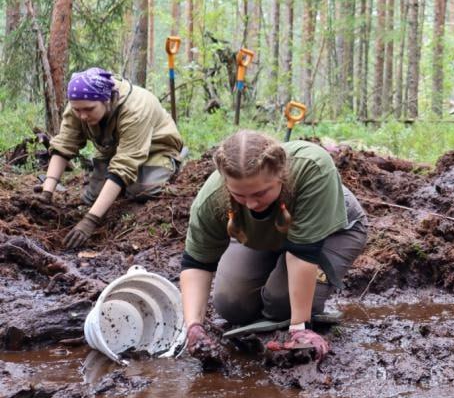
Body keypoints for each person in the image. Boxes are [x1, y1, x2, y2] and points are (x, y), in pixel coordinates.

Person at [179, 130, 368, 362]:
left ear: (281, 174)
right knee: (232, 306)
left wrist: (300, 329)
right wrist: (194, 328)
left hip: (331, 233)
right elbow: (196, 262)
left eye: (260, 193)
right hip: (267, 236)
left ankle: (291, 305)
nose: (250, 203)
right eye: (239, 195)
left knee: (280, 304)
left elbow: (303, 253)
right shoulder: (211, 198)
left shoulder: (313, 167)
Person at [38, 68, 185, 250]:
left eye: (89, 110)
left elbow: (124, 165)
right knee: (92, 197)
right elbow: (64, 145)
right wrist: (47, 191)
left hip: (156, 149)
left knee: (140, 191)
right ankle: (115, 187)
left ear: (106, 99)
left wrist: (90, 220)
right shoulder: (80, 102)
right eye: (77, 110)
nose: (82, 116)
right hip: (112, 149)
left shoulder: (135, 108)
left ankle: (170, 165)